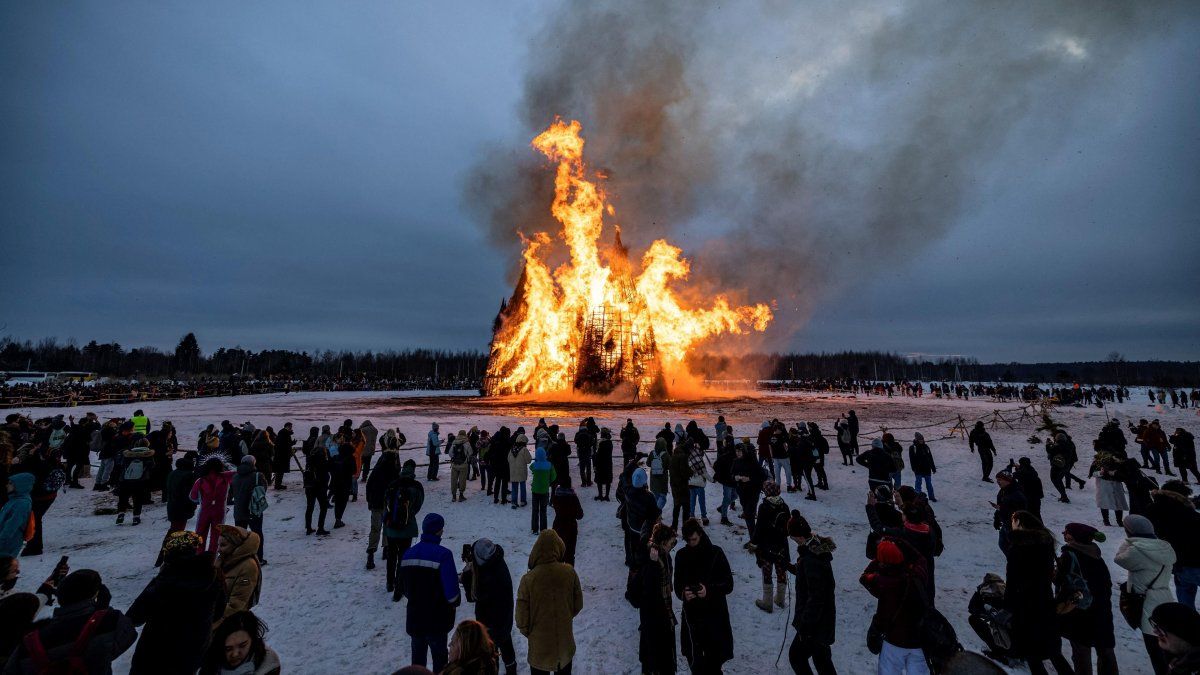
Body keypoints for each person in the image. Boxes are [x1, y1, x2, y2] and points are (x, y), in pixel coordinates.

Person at [126, 531, 227, 675]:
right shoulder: (213, 576)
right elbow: (218, 612)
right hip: (192, 651)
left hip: (155, 653)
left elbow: (134, 616)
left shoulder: (163, 582)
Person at [3, 569, 136, 674]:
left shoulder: (28, 642)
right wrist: (102, 610)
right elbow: (128, 635)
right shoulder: (109, 623)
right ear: (96, 595)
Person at [1005, 511, 1072, 675]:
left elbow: (1013, 579)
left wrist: (1008, 605)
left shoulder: (1018, 547)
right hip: (1045, 601)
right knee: (1054, 652)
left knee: (1032, 654)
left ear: (1019, 523)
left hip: (1024, 605)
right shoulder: (1045, 543)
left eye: (1013, 521)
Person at [1115, 515, 1178, 674]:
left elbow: (1119, 559)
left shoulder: (1136, 551)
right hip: (1165, 597)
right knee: (1168, 647)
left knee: (1155, 649)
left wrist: (1129, 541)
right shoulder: (1165, 547)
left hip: (1147, 604)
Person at [517, 529, 584, 675]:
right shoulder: (569, 573)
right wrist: (564, 619)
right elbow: (578, 604)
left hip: (539, 650)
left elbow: (521, 619)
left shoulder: (528, 580)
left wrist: (532, 633)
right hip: (565, 646)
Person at [399, 513, 460, 672]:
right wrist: (455, 602)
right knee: (440, 662)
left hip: (415, 618)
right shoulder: (444, 555)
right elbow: (452, 594)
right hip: (437, 619)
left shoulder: (407, 554)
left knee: (417, 663)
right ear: (439, 531)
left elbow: (404, 588)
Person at [673, 519, 734, 673]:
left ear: (700, 534)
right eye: (688, 540)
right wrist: (684, 593)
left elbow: (728, 584)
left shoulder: (716, 553)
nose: (691, 543)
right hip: (692, 619)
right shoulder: (681, 556)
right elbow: (678, 585)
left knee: (714, 666)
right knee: (695, 664)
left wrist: (709, 590)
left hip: (714, 618)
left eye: (694, 539)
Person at [1055, 523, 1116, 675]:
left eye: (1067, 532)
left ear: (1075, 537)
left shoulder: (1069, 554)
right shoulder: (1095, 554)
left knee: (1081, 651)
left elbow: (1061, 581)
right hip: (1101, 609)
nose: (1064, 534)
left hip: (1079, 610)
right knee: (1105, 650)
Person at [860, 539, 928, 674]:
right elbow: (919, 557)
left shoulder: (882, 583)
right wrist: (899, 541)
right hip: (919, 639)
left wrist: (879, 559)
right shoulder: (917, 573)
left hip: (894, 641)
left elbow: (864, 577)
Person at [784, 511, 837, 675]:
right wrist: (786, 565)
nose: (792, 540)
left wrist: (805, 627)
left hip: (815, 625)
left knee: (797, 657)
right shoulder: (814, 549)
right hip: (822, 621)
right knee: (822, 660)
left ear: (799, 537)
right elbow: (808, 576)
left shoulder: (810, 559)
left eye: (793, 537)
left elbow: (816, 597)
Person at [460, 538, 516, 674]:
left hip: (490, 622)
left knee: (491, 651)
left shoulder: (488, 576)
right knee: (506, 643)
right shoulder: (497, 561)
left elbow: (473, 597)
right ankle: (511, 669)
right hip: (505, 616)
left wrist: (467, 576)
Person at [1144, 480, 1200, 609]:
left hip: (1176, 563)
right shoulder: (1188, 513)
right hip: (1195, 562)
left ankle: (1187, 619)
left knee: (1185, 601)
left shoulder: (1152, 510)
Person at [639, 523, 678, 675]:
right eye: (671, 543)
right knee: (656, 656)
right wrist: (652, 564)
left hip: (662, 612)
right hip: (655, 616)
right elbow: (647, 590)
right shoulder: (651, 559)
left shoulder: (664, 556)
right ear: (662, 543)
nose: (672, 546)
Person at [387, 459, 425, 597]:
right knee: (403, 557)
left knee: (391, 555)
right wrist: (409, 515)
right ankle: (399, 587)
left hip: (391, 527)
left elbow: (387, 503)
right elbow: (418, 505)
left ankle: (389, 582)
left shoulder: (393, 484)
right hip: (407, 528)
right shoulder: (417, 486)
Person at [201, 610, 281, 675]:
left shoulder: (269, 665)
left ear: (253, 641)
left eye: (242, 645)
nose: (235, 654)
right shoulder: (211, 662)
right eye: (228, 649)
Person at [751, 481, 790, 613]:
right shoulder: (784, 506)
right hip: (781, 545)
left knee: (767, 572)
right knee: (781, 571)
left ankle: (767, 602)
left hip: (766, 546)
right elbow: (788, 528)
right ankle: (780, 599)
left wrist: (753, 543)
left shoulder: (764, 507)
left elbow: (759, 527)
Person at [159, 455, 198, 566]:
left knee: (174, 529)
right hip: (182, 507)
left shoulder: (173, 473)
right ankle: (169, 554)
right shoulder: (188, 476)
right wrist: (192, 506)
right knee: (177, 531)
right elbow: (188, 495)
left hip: (172, 505)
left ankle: (165, 554)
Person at [191, 458, 235, 554]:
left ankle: (199, 556)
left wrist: (202, 500)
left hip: (204, 511)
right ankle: (211, 558)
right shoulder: (226, 478)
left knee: (200, 534)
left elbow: (192, 497)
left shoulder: (200, 480)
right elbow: (236, 472)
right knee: (216, 537)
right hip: (220, 511)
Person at [217, 525, 261, 621]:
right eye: (218, 545)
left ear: (236, 545)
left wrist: (209, 618)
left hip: (231, 621)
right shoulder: (223, 560)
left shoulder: (248, 567)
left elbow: (236, 605)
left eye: (223, 545)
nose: (218, 549)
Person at [365, 451, 400, 570]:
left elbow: (369, 486)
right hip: (389, 504)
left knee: (375, 528)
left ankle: (371, 553)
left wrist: (369, 500)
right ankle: (386, 549)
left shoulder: (376, 470)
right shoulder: (394, 472)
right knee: (387, 526)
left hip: (376, 503)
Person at [230, 455, 267, 563]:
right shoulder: (258, 475)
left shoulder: (235, 476)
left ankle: (241, 558)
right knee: (257, 534)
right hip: (253, 509)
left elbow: (232, 493)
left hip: (239, 511)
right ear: (253, 463)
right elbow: (263, 490)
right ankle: (259, 558)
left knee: (240, 536)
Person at [1148, 602, 1200, 674]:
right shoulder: (1178, 660)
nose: (1155, 631)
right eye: (1155, 625)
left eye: (1161, 629)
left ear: (1183, 635)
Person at [732, 441, 767, 540]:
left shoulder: (752, 461)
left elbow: (762, 476)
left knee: (749, 515)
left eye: (740, 451)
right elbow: (731, 474)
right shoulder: (736, 462)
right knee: (748, 515)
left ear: (744, 451)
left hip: (753, 491)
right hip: (742, 492)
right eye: (736, 451)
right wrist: (735, 477)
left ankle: (754, 539)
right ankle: (754, 537)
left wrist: (749, 478)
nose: (738, 453)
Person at [302, 433, 331, 535]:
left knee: (310, 507)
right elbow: (327, 473)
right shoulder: (323, 462)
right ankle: (320, 528)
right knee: (323, 507)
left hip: (309, 486)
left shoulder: (309, 462)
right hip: (320, 487)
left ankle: (308, 527)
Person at [992, 471, 1027, 556]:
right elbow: (1000, 506)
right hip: (1006, 523)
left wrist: (1002, 509)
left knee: (1015, 547)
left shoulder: (1017, 494)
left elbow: (1022, 512)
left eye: (1000, 480)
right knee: (1003, 544)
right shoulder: (1003, 491)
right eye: (997, 480)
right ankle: (1012, 560)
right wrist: (997, 518)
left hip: (1014, 526)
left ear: (1008, 480)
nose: (998, 482)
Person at [0, 474, 34, 557]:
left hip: (8, 543)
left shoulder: (22, 504)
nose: (7, 485)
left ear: (20, 485)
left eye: (10, 483)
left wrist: (2, 540)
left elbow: (12, 525)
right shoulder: (14, 500)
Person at [551, 485, 584, 566]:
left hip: (558, 527)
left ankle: (559, 572)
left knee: (558, 555)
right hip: (571, 528)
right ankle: (569, 573)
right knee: (570, 555)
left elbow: (554, 505)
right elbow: (580, 515)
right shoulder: (573, 497)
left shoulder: (556, 496)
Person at [329, 438, 356, 528]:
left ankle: (337, 518)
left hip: (336, 481)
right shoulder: (351, 458)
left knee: (337, 501)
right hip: (346, 483)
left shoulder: (336, 457)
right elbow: (354, 471)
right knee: (343, 501)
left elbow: (331, 468)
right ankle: (338, 519)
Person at [530, 447, 557, 534]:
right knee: (543, 510)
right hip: (545, 490)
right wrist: (548, 480)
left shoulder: (535, 465)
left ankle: (534, 529)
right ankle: (543, 529)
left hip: (535, 490)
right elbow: (554, 476)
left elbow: (531, 468)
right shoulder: (549, 465)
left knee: (535, 510)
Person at [1013, 458, 1044, 522]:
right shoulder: (1032, 471)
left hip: (1027, 498)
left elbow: (1014, 475)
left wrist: (1017, 468)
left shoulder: (1023, 473)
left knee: (1028, 517)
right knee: (1036, 516)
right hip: (1036, 499)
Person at [908, 433, 936, 502]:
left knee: (929, 484)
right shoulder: (912, 448)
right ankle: (918, 498)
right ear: (917, 440)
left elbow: (930, 457)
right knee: (918, 483)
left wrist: (933, 467)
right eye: (920, 439)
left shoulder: (926, 447)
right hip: (918, 469)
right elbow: (911, 459)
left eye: (922, 439)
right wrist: (914, 468)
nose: (921, 441)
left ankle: (931, 497)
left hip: (927, 469)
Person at [508, 433, 531, 508]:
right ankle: (523, 501)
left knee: (514, 487)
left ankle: (514, 502)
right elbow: (529, 460)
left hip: (513, 471)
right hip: (521, 471)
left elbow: (508, 459)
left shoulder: (511, 449)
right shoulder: (524, 449)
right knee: (522, 486)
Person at [271, 422, 294, 490]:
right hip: (282, 455)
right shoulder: (284, 433)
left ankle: (278, 484)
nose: (291, 428)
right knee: (280, 471)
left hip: (281, 455)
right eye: (290, 427)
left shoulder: (283, 433)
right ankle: (278, 485)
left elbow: (285, 443)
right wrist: (292, 443)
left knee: (280, 470)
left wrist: (292, 443)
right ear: (287, 426)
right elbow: (285, 444)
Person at [649, 439, 671, 510]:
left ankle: (656, 513)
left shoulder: (652, 453)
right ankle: (657, 512)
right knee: (663, 498)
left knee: (655, 497)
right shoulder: (666, 454)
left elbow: (648, 464)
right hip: (662, 480)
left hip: (653, 479)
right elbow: (670, 466)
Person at [450, 431, 471, 502]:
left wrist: (454, 458)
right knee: (462, 480)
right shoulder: (467, 443)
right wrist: (467, 458)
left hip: (455, 465)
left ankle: (454, 496)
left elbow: (450, 453)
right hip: (463, 465)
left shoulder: (454, 442)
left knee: (453, 480)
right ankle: (461, 495)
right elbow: (470, 452)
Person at [594, 428, 614, 501]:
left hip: (600, 464)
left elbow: (598, 455)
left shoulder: (600, 443)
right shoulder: (610, 443)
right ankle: (607, 496)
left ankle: (600, 495)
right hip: (608, 463)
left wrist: (595, 464)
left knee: (599, 480)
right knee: (608, 480)